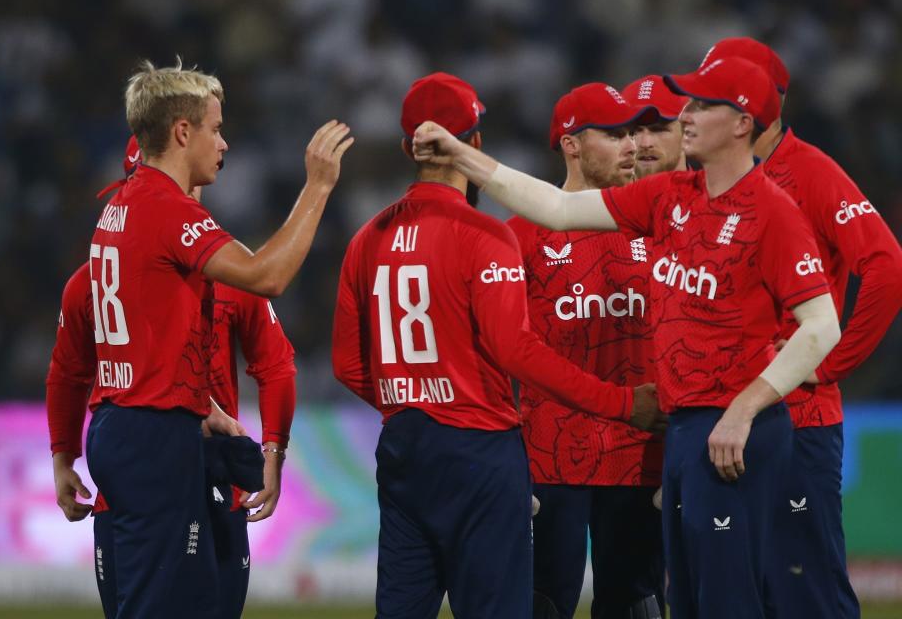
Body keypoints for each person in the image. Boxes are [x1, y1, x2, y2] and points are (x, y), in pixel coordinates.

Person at [412, 57, 842, 618]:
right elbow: (559, 208)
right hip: (679, 432)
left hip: (731, 429)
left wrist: (746, 407)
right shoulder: (672, 199)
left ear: (742, 124)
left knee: (729, 597)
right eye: (687, 103)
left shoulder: (773, 212)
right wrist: (461, 153)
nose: (684, 114)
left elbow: (821, 325)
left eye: (703, 105)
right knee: (688, 599)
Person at [332, 72, 664, 619]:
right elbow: (516, 350)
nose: (632, 145)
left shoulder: (366, 238)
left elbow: (348, 363)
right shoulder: (489, 235)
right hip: (484, 448)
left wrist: (418, 401)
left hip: (405, 443)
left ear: (404, 146)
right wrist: (627, 405)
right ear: (474, 144)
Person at [83, 59, 351, 618]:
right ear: (183, 132)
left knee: (177, 600)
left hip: (128, 423)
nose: (223, 142)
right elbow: (266, 276)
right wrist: (318, 187)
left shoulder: (120, 207)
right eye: (215, 127)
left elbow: (141, 334)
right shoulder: (166, 209)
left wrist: (198, 403)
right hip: (153, 437)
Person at [47, 136, 299, 619]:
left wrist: (273, 447)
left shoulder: (95, 279)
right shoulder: (230, 272)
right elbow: (67, 372)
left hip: (181, 472)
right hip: (161, 463)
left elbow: (275, 364)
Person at [700, 37, 902, 619]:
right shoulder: (709, 179)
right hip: (718, 415)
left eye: (712, 94)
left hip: (795, 420)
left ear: (753, 106)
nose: (694, 109)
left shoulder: (809, 171)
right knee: (734, 595)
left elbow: (886, 268)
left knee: (804, 593)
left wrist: (829, 364)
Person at [507, 83, 664, 619]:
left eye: (635, 132)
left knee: (636, 606)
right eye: (615, 133)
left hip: (642, 456)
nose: (631, 145)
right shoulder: (520, 236)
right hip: (551, 460)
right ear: (571, 144)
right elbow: (503, 350)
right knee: (544, 604)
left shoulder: (659, 224)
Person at [622, 74, 689, 179]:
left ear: (687, 133)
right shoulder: (599, 195)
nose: (645, 144)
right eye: (633, 132)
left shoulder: (715, 193)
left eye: (658, 130)